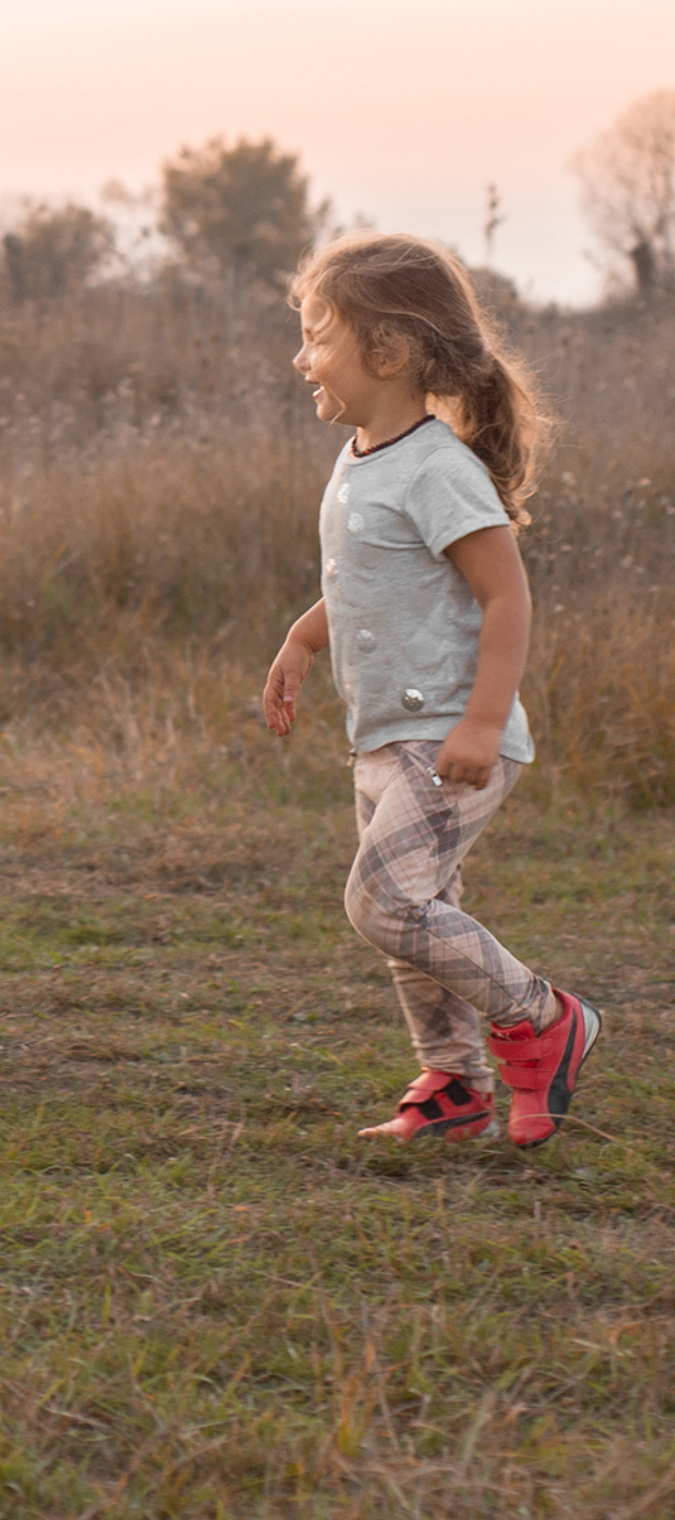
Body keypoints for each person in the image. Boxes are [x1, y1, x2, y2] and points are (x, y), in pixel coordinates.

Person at [263, 232, 599, 1147]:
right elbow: (368, 579)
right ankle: (455, 1084)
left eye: (318, 336)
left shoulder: (440, 468)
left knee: (385, 902)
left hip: (449, 740)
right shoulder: (364, 456)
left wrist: (483, 722)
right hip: (381, 736)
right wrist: (303, 636)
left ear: (390, 351)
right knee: (415, 916)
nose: (301, 358)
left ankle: (543, 1018)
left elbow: (505, 596)